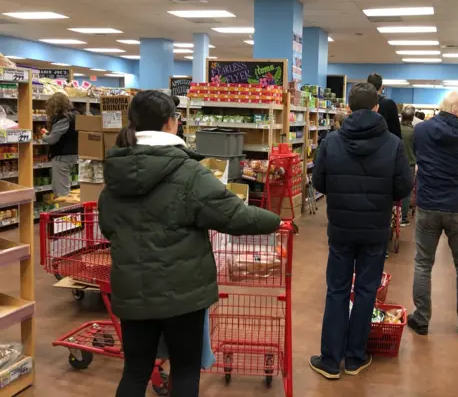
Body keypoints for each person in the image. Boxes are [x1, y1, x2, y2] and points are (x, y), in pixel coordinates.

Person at [98, 90, 281, 397]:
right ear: (171, 123)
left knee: (135, 371)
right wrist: (276, 221)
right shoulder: (189, 172)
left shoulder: (116, 172)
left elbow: (107, 227)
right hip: (183, 294)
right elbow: (234, 215)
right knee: (184, 370)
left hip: (132, 291)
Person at [310, 83, 412, 380]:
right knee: (366, 292)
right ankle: (355, 358)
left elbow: (318, 182)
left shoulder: (331, 141)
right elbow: (403, 187)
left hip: (340, 230)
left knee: (337, 291)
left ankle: (330, 360)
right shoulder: (392, 144)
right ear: (377, 107)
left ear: (349, 108)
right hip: (374, 232)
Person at [408, 91, 458, 337]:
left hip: (428, 204)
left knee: (422, 263)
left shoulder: (422, 130)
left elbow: (420, 156)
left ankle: (421, 319)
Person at [42, 92, 78, 197]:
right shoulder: (75, 115)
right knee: (62, 184)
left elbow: (52, 139)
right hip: (72, 154)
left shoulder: (64, 118)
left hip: (62, 156)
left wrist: (44, 136)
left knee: (61, 190)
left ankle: (66, 212)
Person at [366, 73, 402, 139]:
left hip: (364, 144)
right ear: (381, 86)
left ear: (367, 86)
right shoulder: (389, 104)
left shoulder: (362, 102)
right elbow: (396, 131)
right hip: (386, 144)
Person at [400, 108, 416, 226]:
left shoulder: (395, 130)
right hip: (409, 164)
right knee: (406, 192)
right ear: (412, 118)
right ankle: (403, 218)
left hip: (395, 162)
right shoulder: (414, 132)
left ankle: (393, 216)